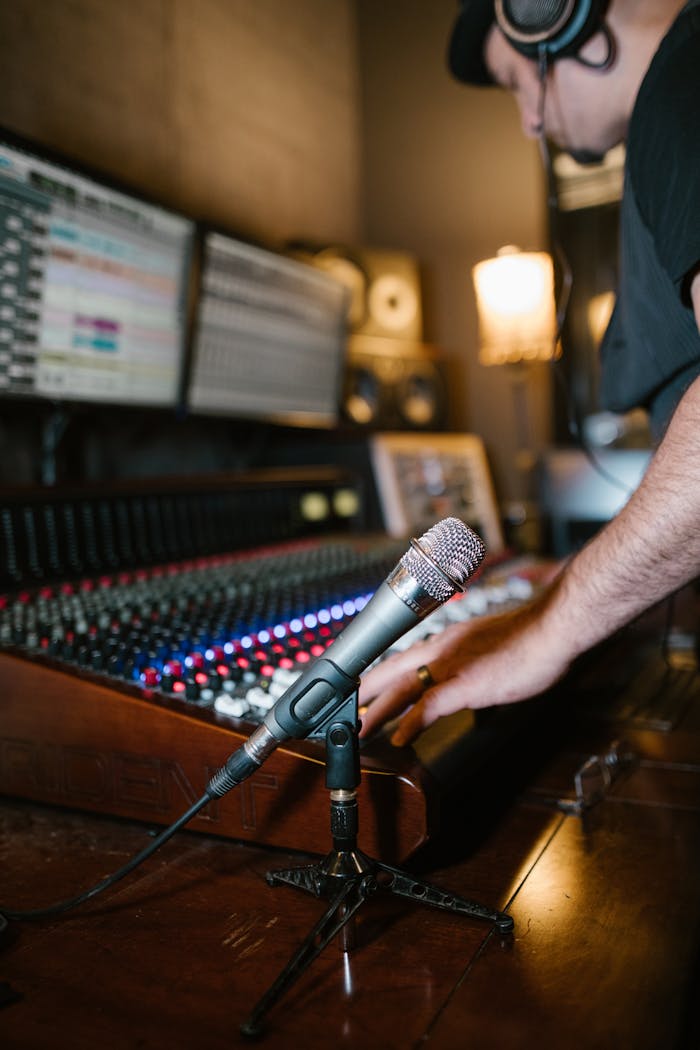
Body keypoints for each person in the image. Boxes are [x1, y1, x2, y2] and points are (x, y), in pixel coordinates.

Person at [358, 0, 700, 747]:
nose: (529, 121)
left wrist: (550, 628)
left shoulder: (684, 86)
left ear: (553, 17)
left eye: (518, 83)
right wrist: (578, 584)